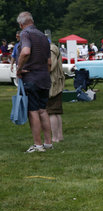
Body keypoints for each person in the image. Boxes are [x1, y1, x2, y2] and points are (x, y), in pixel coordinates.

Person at [15, 11, 53, 153]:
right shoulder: (43, 36)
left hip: (31, 77)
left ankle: (37, 145)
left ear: (21, 24)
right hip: (44, 77)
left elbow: (25, 52)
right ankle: (48, 143)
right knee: (43, 110)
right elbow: (49, 62)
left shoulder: (26, 34)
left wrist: (19, 69)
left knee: (33, 111)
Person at [48, 42, 65, 142]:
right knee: (56, 111)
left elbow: (50, 66)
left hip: (52, 83)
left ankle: (55, 137)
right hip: (56, 82)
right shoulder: (54, 48)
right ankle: (59, 135)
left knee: (51, 111)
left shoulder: (50, 50)